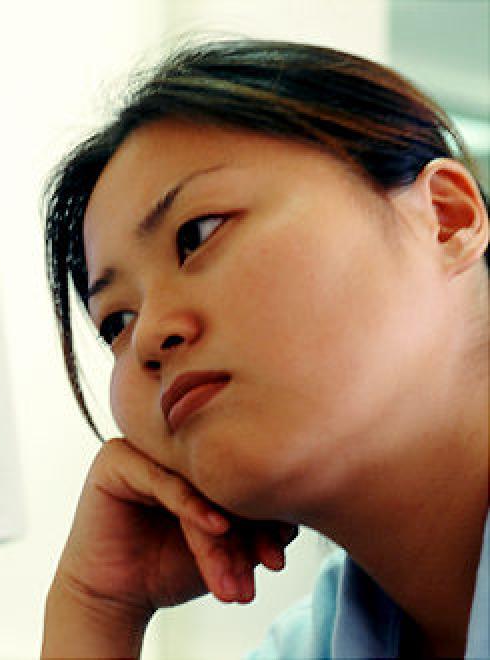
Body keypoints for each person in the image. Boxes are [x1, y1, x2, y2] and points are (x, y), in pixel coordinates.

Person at [40, 38, 489, 659]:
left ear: (446, 217)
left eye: (198, 235)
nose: (146, 337)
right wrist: (97, 610)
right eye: (116, 319)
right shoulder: (310, 644)